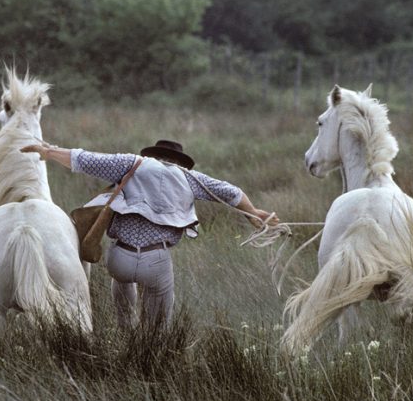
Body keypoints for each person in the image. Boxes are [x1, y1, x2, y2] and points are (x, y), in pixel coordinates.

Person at [20, 139, 278, 330]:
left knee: (122, 284)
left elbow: (84, 159)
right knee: (157, 329)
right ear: (178, 161)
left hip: (119, 257)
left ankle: (125, 328)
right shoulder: (190, 178)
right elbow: (232, 192)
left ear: (153, 155)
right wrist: (254, 213)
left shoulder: (133, 163)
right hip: (156, 260)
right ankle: (148, 351)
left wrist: (48, 151)